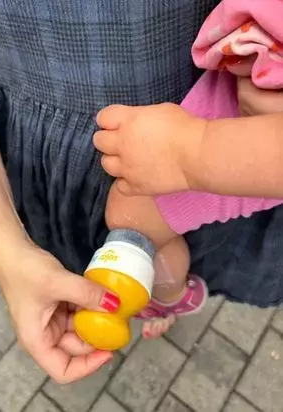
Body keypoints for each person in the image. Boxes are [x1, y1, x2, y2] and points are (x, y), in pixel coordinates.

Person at [0, 0, 283, 384]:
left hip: (237, 120)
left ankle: (164, 299)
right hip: (60, 164)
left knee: (142, 229)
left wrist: (194, 153)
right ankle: (152, 295)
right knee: (100, 251)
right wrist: (7, 255)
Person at [98, 0, 283, 339]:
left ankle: (170, 296)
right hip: (258, 59)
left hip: (266, 130)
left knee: (131, 214)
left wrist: (189, 151)